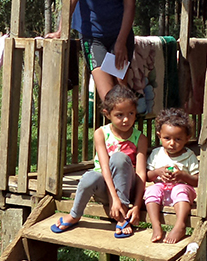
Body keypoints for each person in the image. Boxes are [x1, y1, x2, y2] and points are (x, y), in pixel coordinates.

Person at [50, 84, 147, 238]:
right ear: (107, 114)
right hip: (105, 186)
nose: (126, 119)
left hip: (128, 188)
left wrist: (136, 205)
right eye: (119, 115)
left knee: (119, 158)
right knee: (89, 176)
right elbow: (104, 167)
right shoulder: (101, 133)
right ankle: (75, 214)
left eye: (131, 113)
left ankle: (122, 214)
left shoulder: (140, 138)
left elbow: (141, 173)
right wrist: (113, 198)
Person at [144, 108, 200, 244]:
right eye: (167, 138)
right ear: (159, 136)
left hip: (182, 195)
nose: (172, 143)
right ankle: (156, 225)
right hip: (161, 192)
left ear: (187, 138)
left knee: (179, 189)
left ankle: (180, 225)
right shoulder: (156, 154)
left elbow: (197, 180)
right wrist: (157, 172)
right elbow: (147, 176)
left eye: (178, 139)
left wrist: (182, 176)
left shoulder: (189, 156)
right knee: (151, 190)